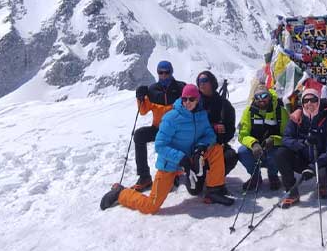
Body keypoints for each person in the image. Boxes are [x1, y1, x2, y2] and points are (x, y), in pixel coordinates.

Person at [101, 84, 235, 212]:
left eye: (191, 99)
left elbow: (209, 135)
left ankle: (214, 191)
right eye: (184, 99)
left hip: (191, 158)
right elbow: (160, 145)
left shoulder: (201, 115)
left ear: (197, 99)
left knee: (216, 149)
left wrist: (201, 148)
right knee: (151, 206)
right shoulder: (171, 118)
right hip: (170, 163)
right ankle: (121, 193)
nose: (187, 102)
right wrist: (180, 158)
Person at [275, 87, 327, 208]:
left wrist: (313, 166)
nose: (309, 103)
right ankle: (292, 192)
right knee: (281, 154)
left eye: (313, 100)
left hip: (321, 161)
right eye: (305, 100)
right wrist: (301, 143)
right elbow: (286, 139)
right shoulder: (296, 118)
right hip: (302, 158)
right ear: (302, 103)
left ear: (318, 101)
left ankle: (323, 185)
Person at [131, 61, 185, 192]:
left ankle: (174, 173)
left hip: (176, 130)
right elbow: (143, 111)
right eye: (161, 72)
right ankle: (144, 177)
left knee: (175, 141)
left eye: (167, 72)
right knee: (139, 135)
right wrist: (140, 97)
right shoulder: (152, 90)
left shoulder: (181, 88)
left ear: (171, 72)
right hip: (158, 129)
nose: (164, 75)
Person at [237, 88, 288, 191]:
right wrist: (253, 144)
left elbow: (287, 136)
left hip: (272, 148)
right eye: (257, 97)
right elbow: (242, 135)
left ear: (269, 96)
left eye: (264, 96)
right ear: (254, 99)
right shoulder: (249, 111)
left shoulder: (280, 111)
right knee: (242, 151)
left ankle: (273, 176)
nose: (261, 99)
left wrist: (274, 140)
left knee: (279, 152)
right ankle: (255, 177)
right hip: (255, 150)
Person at [196, 70, 239, 176]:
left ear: (212, 82)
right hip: (197, 146)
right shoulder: (193, 102)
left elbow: (230, 130)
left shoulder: (225, 105)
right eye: (199, 81)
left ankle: (215, 178)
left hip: (217, 144)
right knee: (195, 190)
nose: (202, 83)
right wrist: (212, 127)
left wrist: (222, 135)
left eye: (205, 80)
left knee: (230, 157)